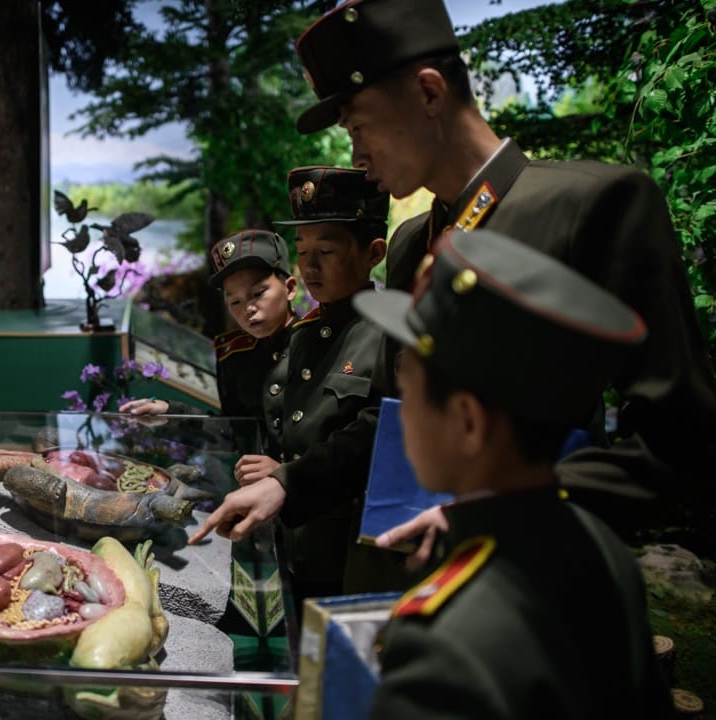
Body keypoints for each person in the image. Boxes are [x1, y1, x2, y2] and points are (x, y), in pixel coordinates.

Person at [293, 0, 716, 549]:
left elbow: (679, 433)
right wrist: (290, 484)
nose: (357, 154)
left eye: (360, 125)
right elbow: (391, 416)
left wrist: (516, 512)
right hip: (396, 565)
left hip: (533, 576)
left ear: (428, 94)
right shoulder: (407, 242)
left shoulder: (592, 206)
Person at [352, 228, 672, 719]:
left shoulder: (446, 646)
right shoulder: (602, 548)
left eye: (407, 385)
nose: (400, 408)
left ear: (468, 421)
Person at [191, 167, 400, 602]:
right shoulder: (304, 335)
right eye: (303, 250)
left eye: (325, 250)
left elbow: (376, 437)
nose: (309, 265)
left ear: (373, 252)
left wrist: (288, 477)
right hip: (297, 544)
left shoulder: (390, 332)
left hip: (358, 552)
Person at [121, 228, 298, 422]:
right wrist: (171, 412)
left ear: (289, 289)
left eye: (257, 294)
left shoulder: (321, 347)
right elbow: (231, 431)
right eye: (235, 302)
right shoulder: (235, 355)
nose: (248, 308)